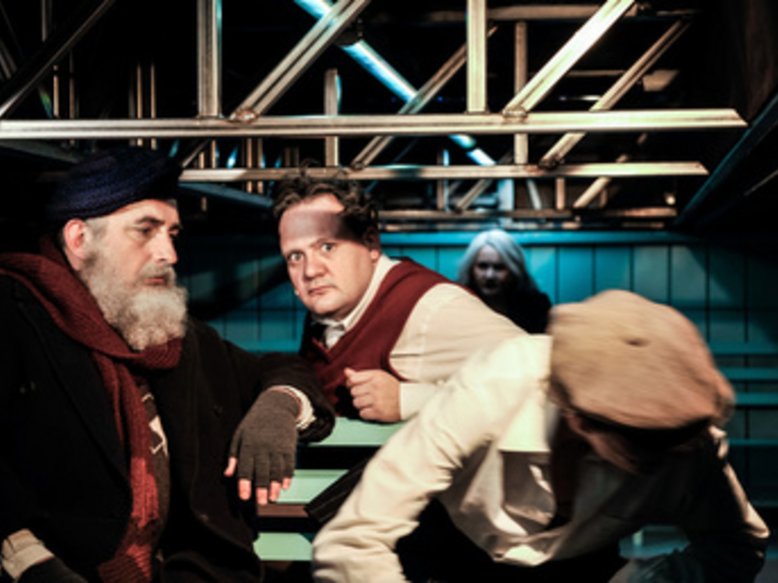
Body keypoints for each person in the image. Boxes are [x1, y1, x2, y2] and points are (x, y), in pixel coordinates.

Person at [0, 147, 335, 583]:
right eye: (145, 231)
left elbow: (280, 368)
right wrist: (28, 560)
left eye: (172, 234)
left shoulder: (169, 331)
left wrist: (280, 404)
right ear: (79, 239)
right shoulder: (15, 317)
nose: (169, 254)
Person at [312, 290, 770, 583]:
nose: (660, 458)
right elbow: (354, 539)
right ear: (580, 418)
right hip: (448, 544)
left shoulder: (686, 442)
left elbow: (736, 547)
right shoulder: (495, 383)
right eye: (641, 443)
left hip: (579, 566)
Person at [273, 175, 522, 423]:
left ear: (370, 244)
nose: (310, 271)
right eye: (295, 257)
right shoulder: (327, 314)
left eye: (327, 247)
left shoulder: (431, 308)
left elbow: (537, 376)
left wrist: (410, 400)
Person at [457, 228, 551, 333]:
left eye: (499, 267)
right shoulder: (457, 304)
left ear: (514, 270)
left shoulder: (535, 307)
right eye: (482, 266)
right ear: (470, 268)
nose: (489, 275)